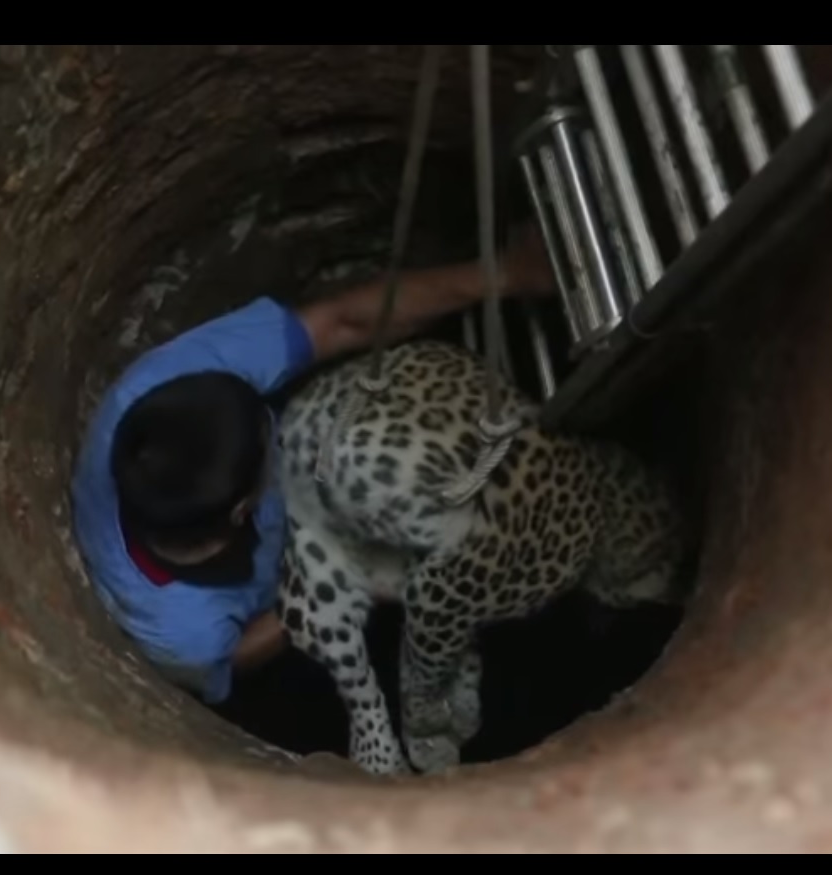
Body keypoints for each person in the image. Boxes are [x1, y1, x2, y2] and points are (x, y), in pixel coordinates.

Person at [70, 228, 556, 709]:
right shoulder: (183, 629)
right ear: (244, 508)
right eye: (271, 442)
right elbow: (232, 660)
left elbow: (341, 323)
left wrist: (504, 274)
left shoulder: (162, 386)